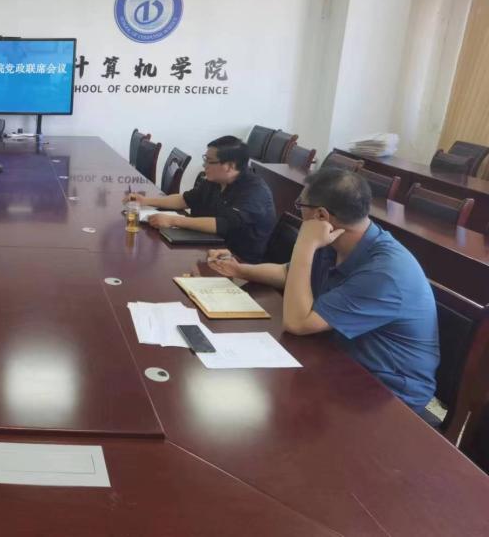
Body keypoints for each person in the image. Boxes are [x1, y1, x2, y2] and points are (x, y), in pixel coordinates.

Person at [207, 167, 439, 414]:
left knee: (268, 406)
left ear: (321, 215)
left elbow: (297, 323)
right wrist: (239, 269)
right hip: (338, 361)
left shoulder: (385, 272)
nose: (299, 211)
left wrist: (305, 243)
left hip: (387, 394)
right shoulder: (339, 240)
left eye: (301, 205)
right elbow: (289, 273)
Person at [127, 135, 276, 263]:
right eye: (205, 159)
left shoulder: (254, 192)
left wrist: (172, 220)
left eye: (210, 161)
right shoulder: (215, 180)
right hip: (208, 248)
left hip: (239, 262)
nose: (204, 165)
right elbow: (185, 199)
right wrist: (146, 201)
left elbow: (223, 224)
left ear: (230, 166)